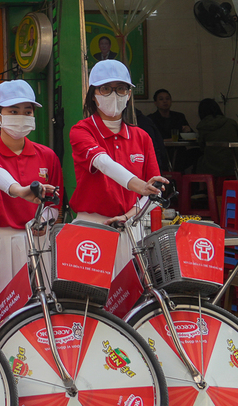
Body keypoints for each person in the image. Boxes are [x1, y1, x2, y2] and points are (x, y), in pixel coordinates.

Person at [0, 80, 62, 325]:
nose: (21, 117)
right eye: (13, 111)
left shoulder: (46, 155)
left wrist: (43, 221)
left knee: (40, 317)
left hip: (38, 243)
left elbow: (55, 204)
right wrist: (18, 190)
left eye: (27, 112)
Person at [68, 58, 168, 278]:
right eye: (106, 89)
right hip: (91, 227)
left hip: (132, 227)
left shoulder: (141, 136)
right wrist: (140, 185)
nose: (114, 95)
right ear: (93, 94)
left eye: (121, 88)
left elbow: (155, 191)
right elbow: (103, 163)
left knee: (133, 301)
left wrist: (129, 216)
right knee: (89, 301)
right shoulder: (81, 130)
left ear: (129, 94)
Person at [194, 99, 238, 178]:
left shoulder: (202, 126)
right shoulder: (231, 122)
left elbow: (202, 147)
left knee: (199, 161)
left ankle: (203, 188)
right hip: (235, 164)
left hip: (212, 165)